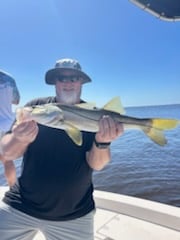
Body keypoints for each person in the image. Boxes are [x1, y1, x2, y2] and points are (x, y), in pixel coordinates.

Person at [0, 58, 124, 240]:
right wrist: (19, 138)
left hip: (75, 214)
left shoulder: (96, 115)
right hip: (21, 205)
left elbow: (97, 164)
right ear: (54, 82)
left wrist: (102, 142)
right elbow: (7, 152)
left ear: (81, 82)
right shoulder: (36, 106)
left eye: (74, 78)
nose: (68, 83)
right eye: (61, 78)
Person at [0, 70, 20, 187]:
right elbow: (16, 101)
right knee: (7, 161)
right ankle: (12, 188)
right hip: (7, 124)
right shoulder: (9, 78)